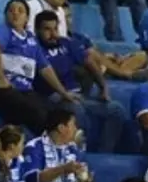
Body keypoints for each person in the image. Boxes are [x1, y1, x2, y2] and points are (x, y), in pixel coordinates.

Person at [34, 11, 128, 154]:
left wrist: (103, 87)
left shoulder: (66, 43)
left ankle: (104, 153)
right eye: (47, 29)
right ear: (37, 30)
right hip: (52, 97)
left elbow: (88, 60)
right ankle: (81, 154)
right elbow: (45, 72)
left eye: (55, 29)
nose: (53, 34)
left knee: (116, 110)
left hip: (78, 95)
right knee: (77, 110)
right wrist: (64, 94)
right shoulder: (34, 49)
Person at [0, 0, 56, 135]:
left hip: (25, 91)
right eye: (11, 10)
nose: (15, 13)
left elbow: (45, 68)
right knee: (32, 111)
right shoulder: (3, 31)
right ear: (5, 15)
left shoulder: (32, 39)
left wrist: (63, 92)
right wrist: (1, 79)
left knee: (50, 110)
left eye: (20, 11)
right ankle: (47, 142)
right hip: (0, 89)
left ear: (27, 18)